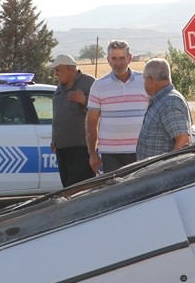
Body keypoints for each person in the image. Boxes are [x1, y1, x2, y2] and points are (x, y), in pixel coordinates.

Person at [86, 40, 148, 174]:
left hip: (141, 152)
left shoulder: (145, 81)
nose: (118, 63)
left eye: (122, 58)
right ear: (108, 60)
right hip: (110, 155)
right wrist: (92, 153)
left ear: (129, 58)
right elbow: (91, 123)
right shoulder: (98, 86)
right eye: (114, 58)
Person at [48, 54, 95, 186]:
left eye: (58, 70)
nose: (56, 74)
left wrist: (83, 100)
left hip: (81, 148)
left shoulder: (89, 83)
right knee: (67, 188)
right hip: (62, 148)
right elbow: (58, 113)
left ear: (68, 68)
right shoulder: (60, 87)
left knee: (78, 189)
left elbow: (101, 111)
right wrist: (55, 138)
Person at [136, 58, 194, 159]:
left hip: (161, 172)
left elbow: (183, 142)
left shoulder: (169, 102)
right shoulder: (162, 100)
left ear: (150, 80)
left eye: (144, 78)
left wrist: (168, 170)